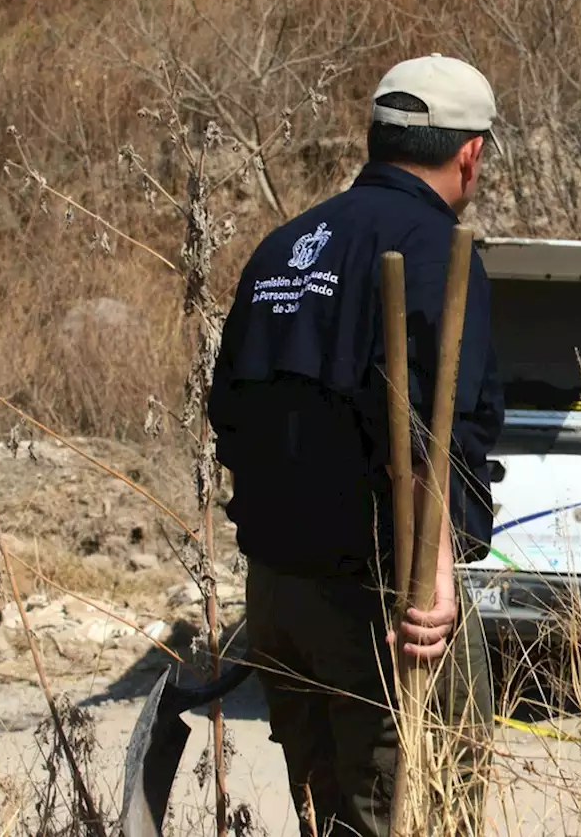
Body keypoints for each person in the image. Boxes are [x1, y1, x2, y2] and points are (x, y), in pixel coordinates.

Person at [207, 54, 504, 837]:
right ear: (470, 154)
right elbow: (428, 431)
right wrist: (433, 578)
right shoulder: (440, 249)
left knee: (325, 814)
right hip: (383, 597)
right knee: (418, 810)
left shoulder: (280, 249)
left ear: (375, 138)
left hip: (277, 597)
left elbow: (229, 411)